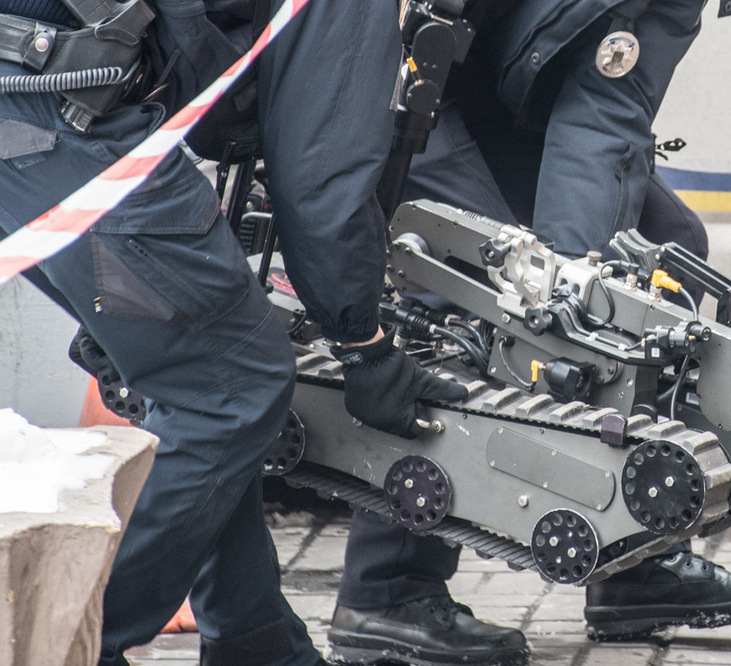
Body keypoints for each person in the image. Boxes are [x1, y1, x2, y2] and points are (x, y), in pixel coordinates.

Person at [0, 1, 478, 664]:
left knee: (205, 379)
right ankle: (65, 646)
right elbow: (322, 177)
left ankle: (259, 645)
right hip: (55, 102)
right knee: (232, 390)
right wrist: (363, 344)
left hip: (35, 96)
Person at [325, 0, 731, 663]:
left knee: (662, 250)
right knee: (483, 293)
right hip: (383, 66)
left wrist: (585, 290)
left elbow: (606, 108)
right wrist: (557, 308)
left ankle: (632, 554)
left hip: (485, 78)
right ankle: (387, 592)